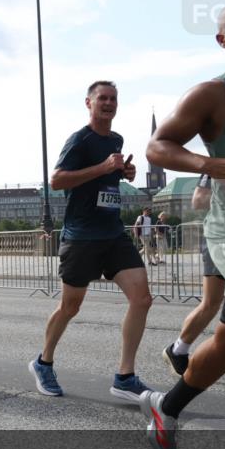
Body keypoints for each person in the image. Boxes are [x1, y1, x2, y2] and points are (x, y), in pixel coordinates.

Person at [141, 0, 225, 449]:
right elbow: (158, 147)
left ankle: (167, 408)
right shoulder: (213, 94)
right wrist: (209, 163)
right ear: (223, 39)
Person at [28, 81, 153, 400]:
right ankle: (43, 362)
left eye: (113, 98)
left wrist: (124, 171)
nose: (108, 103)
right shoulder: (79, 140)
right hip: (81, 236)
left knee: (142, 298)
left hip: (112, 233)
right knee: (70, 306)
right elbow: (56, 180)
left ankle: (125, 376)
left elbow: (107, 177)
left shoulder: (116, 139)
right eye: (102, 99)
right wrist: (103, 167)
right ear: (89, 103)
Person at [163, 176, 225, 375]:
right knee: (211, 303)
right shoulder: (219, 162)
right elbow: (198, 200)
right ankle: (178, 350)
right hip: (222, 240)